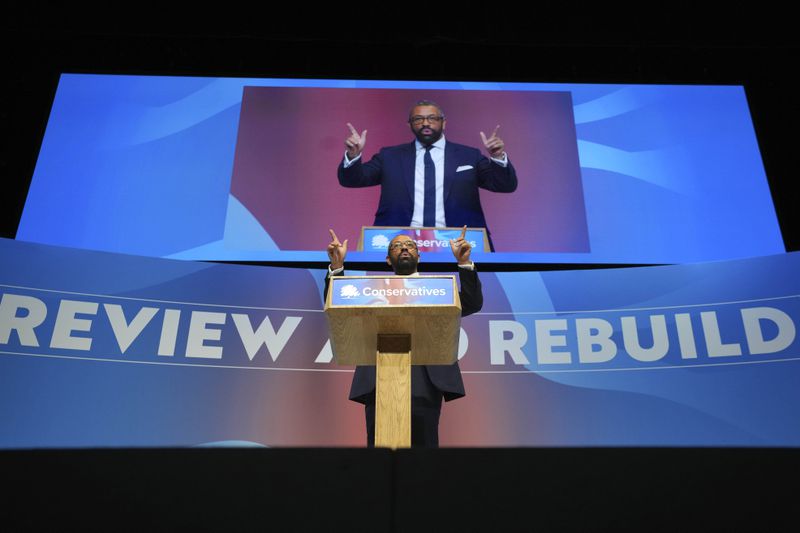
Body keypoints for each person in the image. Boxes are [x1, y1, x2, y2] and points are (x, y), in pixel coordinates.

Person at [325, 227, 483, 448]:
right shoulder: (371, 291)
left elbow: (472, 303)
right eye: (397, 246)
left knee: (424, 451)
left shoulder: (437, 290)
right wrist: (337, 267)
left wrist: (464, 264)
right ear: (388, 260)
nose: (404, 248)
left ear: (419, 255)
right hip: (378, 375)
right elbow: (338, 305)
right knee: (379, 452)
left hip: (426, 377)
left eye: (410, 245)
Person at [337, 100, 517, 250]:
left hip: (460, 243)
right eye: (418, 119)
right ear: (410, 124)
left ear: (444, 122)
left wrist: (497, 157)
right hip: (399, 246)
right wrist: (353, 155)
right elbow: (353, 180)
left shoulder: (469, 155)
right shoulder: (389, 156)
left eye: (432, 118)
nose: (425, 123)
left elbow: (504, 185)